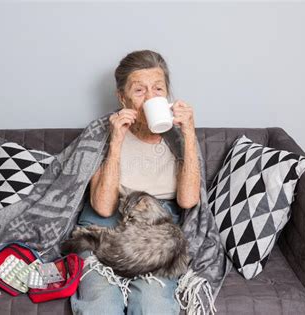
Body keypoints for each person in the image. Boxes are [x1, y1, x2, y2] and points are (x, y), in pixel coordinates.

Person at [70, 50, 201, 315]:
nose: (151, 97)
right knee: (101, 303)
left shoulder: (180, 138)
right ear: (123, 97)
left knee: (154, 304)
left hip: (158, 232)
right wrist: (116, 141)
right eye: (140, 90)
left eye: (158, 89)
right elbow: (103, 208)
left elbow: (188, 200)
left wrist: (189, 134)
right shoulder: (103, 133)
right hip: (103, 228)